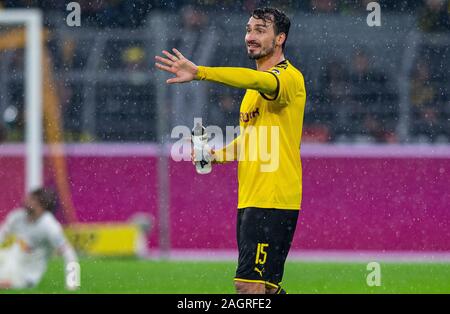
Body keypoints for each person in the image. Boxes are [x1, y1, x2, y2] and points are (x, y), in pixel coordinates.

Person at [155, 7, 306, 294]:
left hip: (273, 197)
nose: (250, 36)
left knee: (248, 287)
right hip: (254, 196)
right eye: (249, 29)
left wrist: (201, 72)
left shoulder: (289, 78)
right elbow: (252, 140)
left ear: (280, 38)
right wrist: (214, 155)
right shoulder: (252, 92)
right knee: (267, 289)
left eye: (260, 30)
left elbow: (259, 80)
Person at [0, 188, 78, 289]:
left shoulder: (50, 226)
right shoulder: (17, 217)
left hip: (27, 274)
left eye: (32, 199)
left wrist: (72, 285)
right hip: (8, 262)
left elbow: (69, 254)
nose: (26, 200)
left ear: (42, 206)